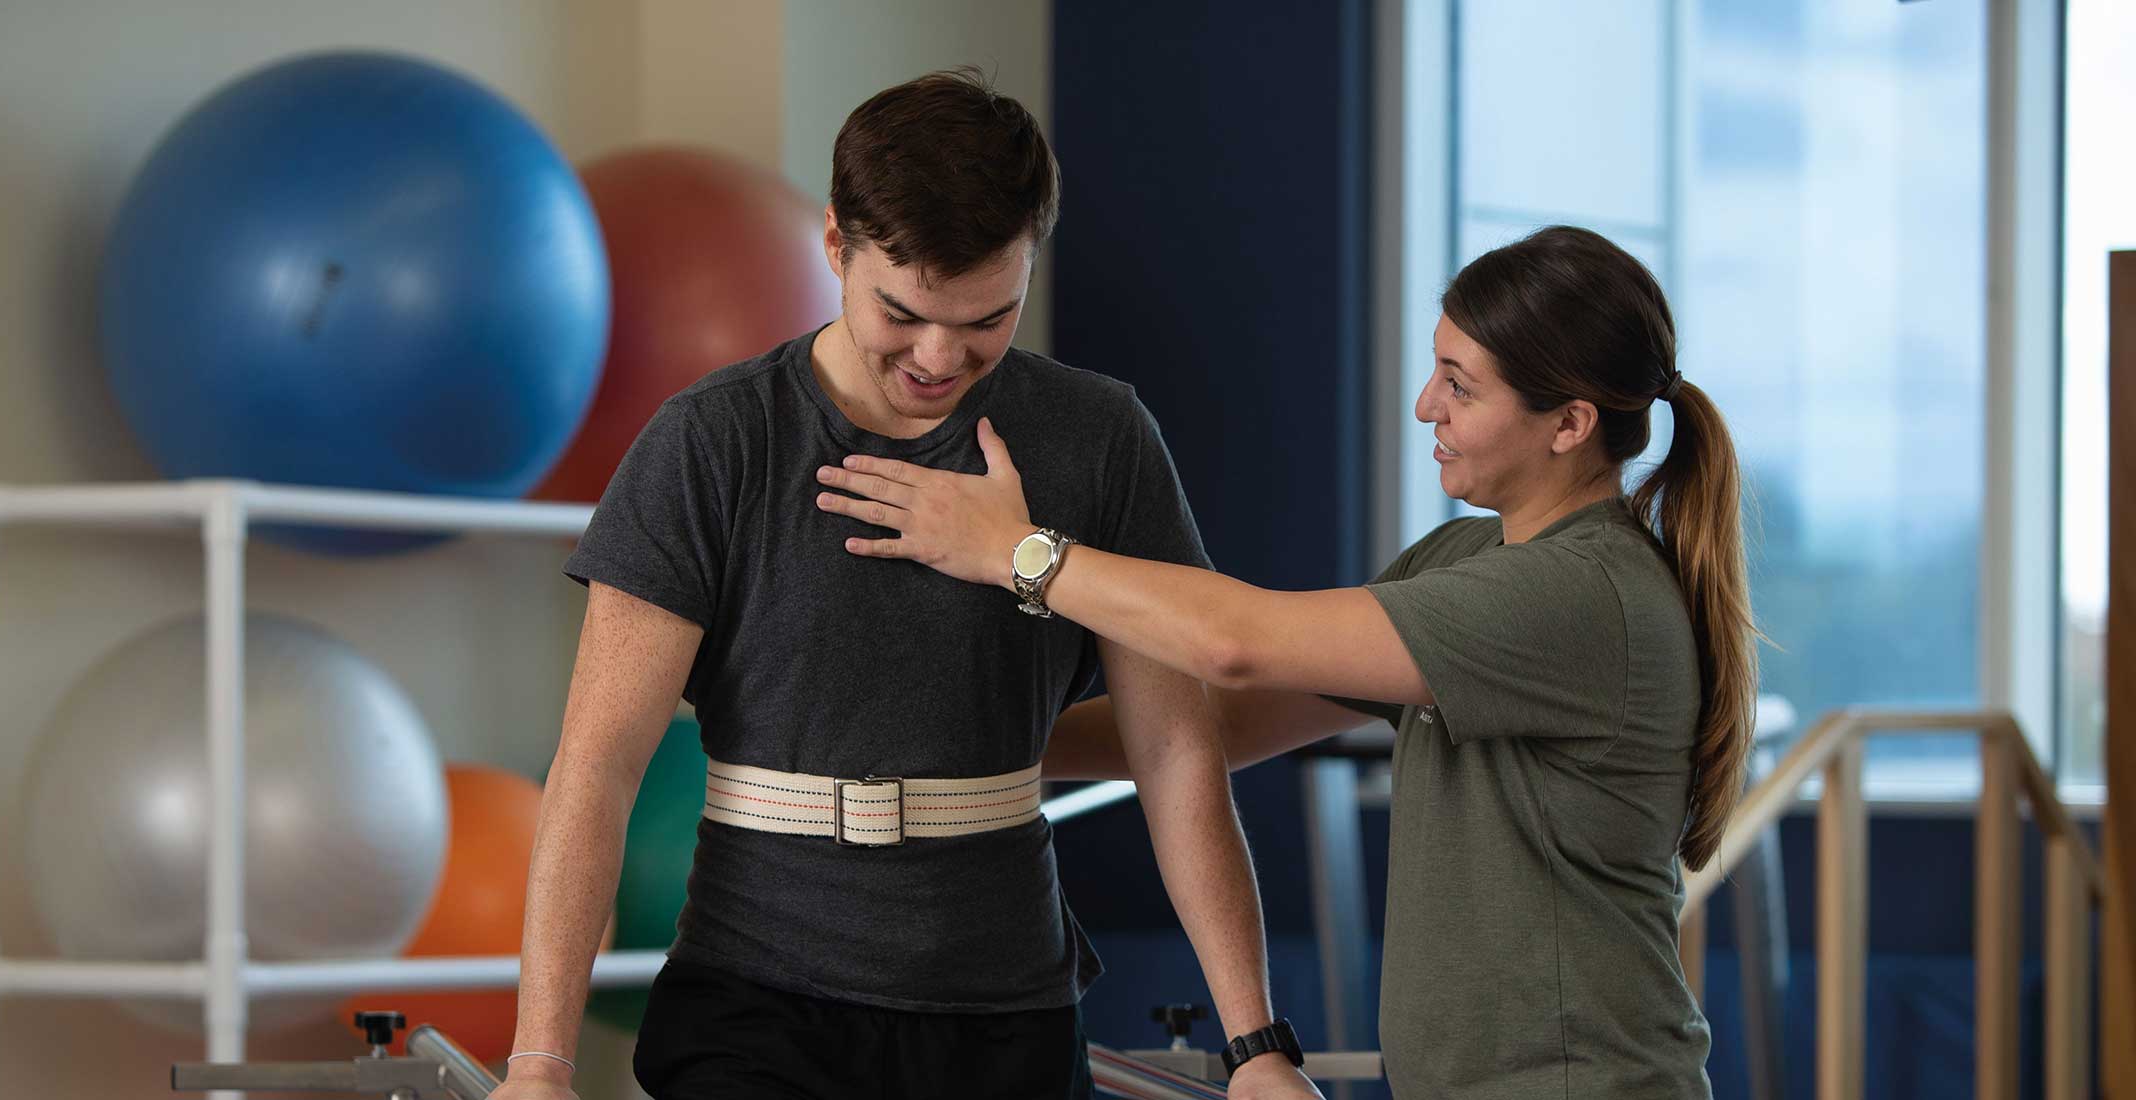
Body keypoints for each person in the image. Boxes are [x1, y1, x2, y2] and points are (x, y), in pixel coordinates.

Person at [496, 69, 1322, 1100]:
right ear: (836, 246)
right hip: (756, 997)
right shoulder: (712, 443)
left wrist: (1257, 1045)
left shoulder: (1099, 439)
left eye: (989, 318)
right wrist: (540, 1060)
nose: (940, 357)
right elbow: (596, 766)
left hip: (1005, 1004)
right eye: (903, 312)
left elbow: (1175, 752)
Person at [811, 224, 1756, 1098]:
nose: (1427, 403)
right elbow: (1221, 722)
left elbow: (1235, 644)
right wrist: (967, 749)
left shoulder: (1580, 597)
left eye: (1460, 386)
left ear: (1570, 424)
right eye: (1436, 370)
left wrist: (1015, 553)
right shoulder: (1471, 561)